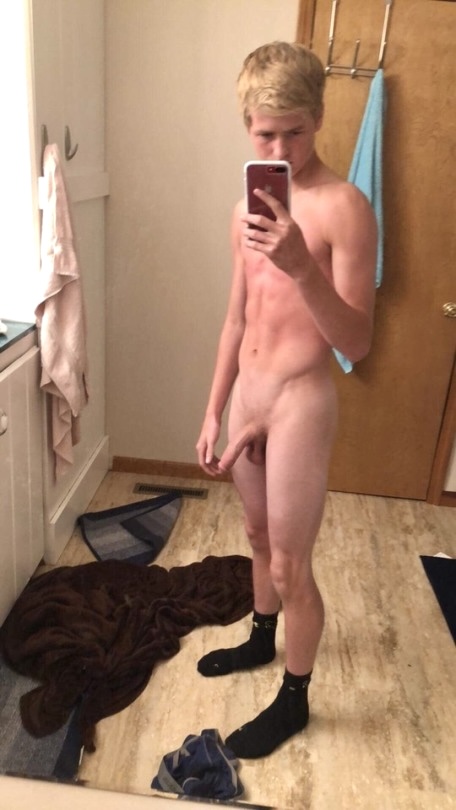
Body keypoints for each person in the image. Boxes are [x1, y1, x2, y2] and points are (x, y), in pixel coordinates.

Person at [195, 41, 377, 759]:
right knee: (256, 537)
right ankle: (261, 638)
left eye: (294, 132)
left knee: (289, 565)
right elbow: (235, 320)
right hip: (249, 394)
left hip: (302, 401)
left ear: (320, 118)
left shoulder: (345, 208)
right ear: (247, 125)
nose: (280, 149)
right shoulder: (242, 212)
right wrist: (214, 409)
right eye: (265, 134)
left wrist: (304, 267)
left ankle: (295, 699)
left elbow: (356, 340)